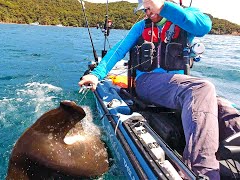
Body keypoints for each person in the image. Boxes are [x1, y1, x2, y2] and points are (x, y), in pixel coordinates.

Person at [78, 0, 240, 179]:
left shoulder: (185, 18)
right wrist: (97, 74)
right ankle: (202, 170)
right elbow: (118, 50)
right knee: (202, 89)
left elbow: (203, 26)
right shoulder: (141, 27)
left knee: (224, 108)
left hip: (178, 86)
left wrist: (164, 8)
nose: (147, 12)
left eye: (149, 8)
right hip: (147, 83)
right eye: (145, 9)